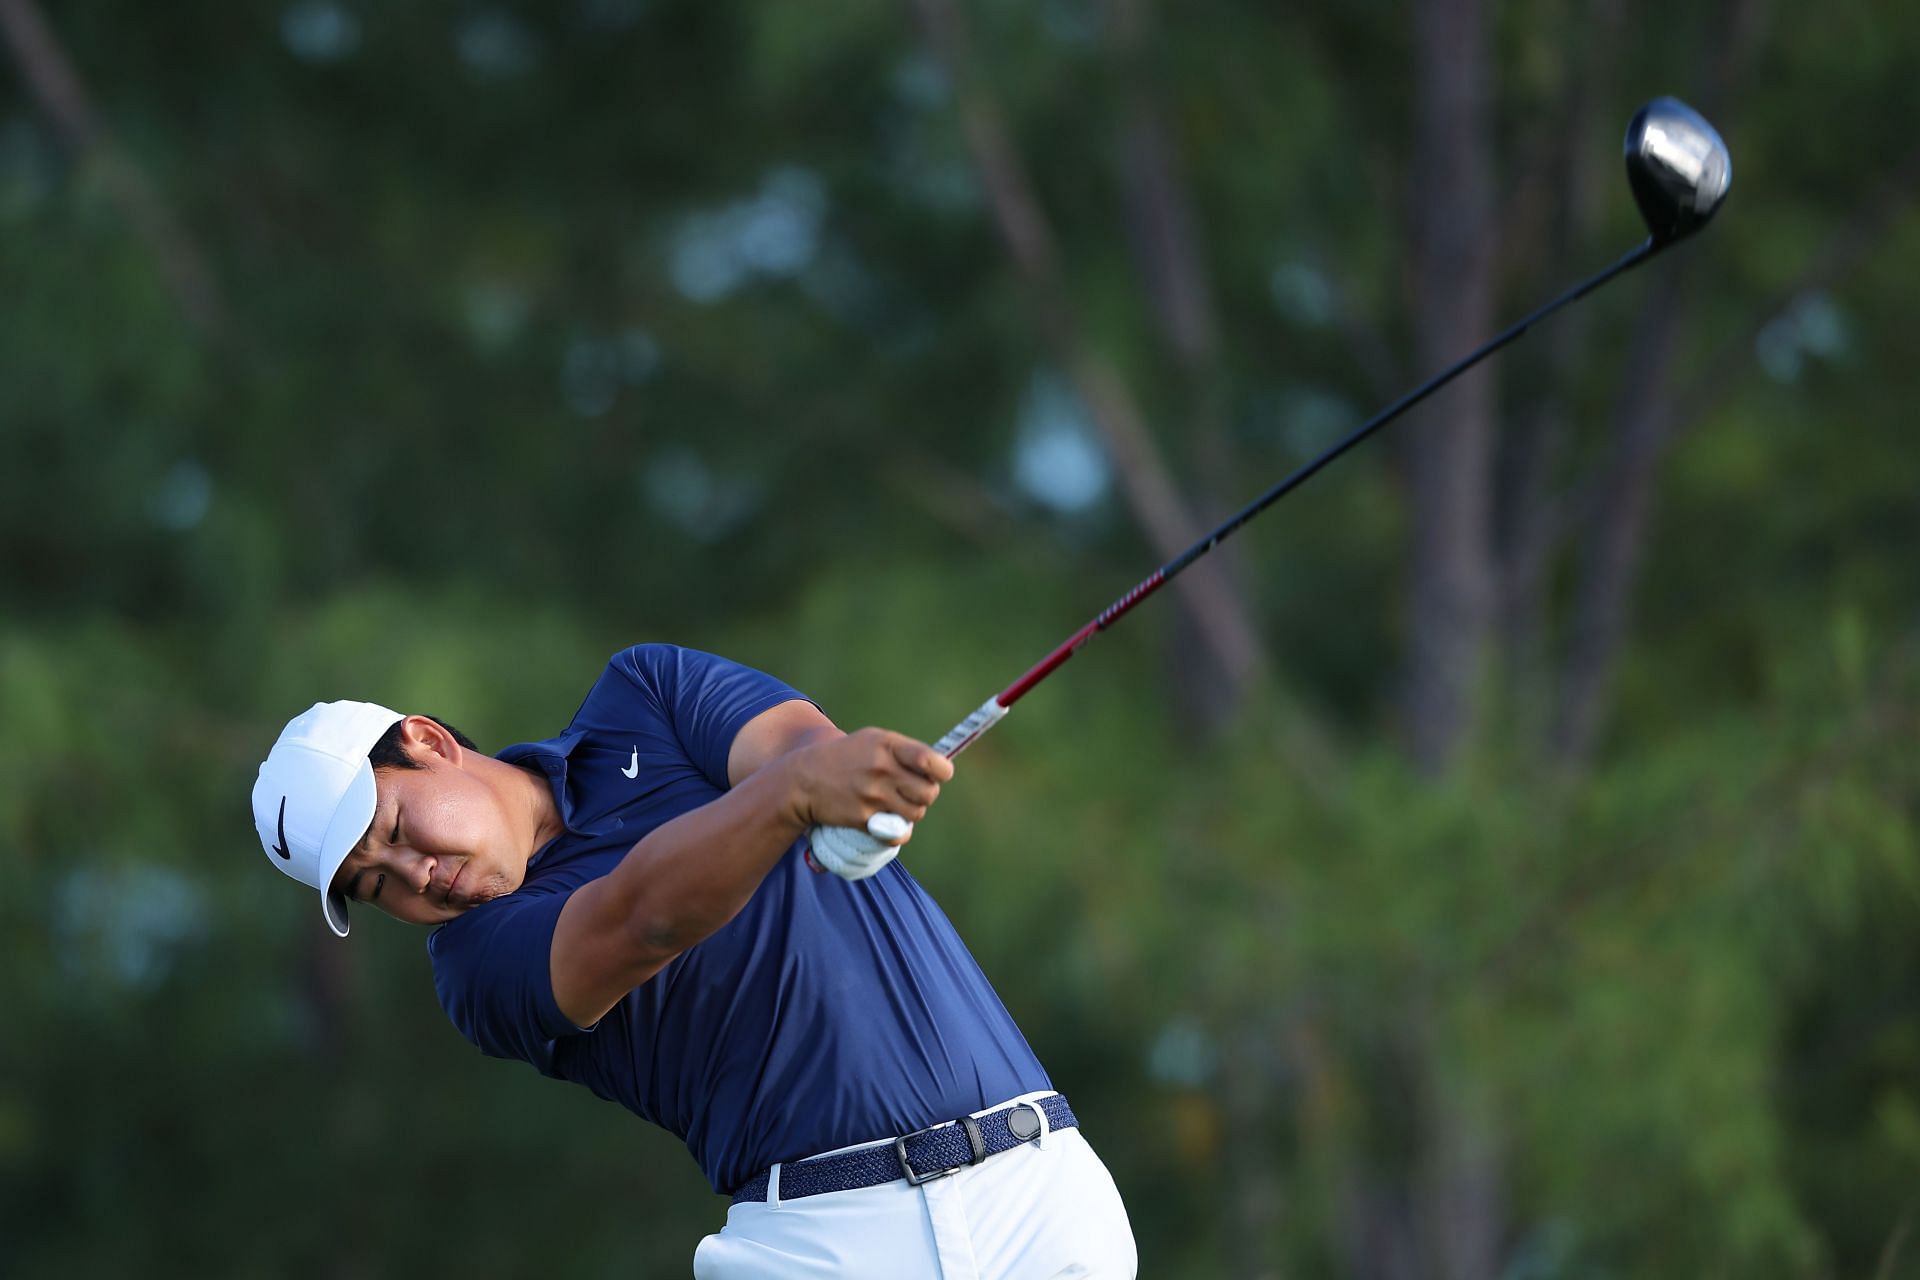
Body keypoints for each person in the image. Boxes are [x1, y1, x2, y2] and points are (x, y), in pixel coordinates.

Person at [251, 643, 1136, 1278]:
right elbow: (640, 920)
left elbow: (797, 749)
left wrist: (843, 794)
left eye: (398, 831)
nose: (419, 877)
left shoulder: (646, 694)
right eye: (378, 888)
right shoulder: (476, 967)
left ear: (430, 743)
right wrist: (794, 801)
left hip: (1043, 1192)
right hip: (830, 1242)